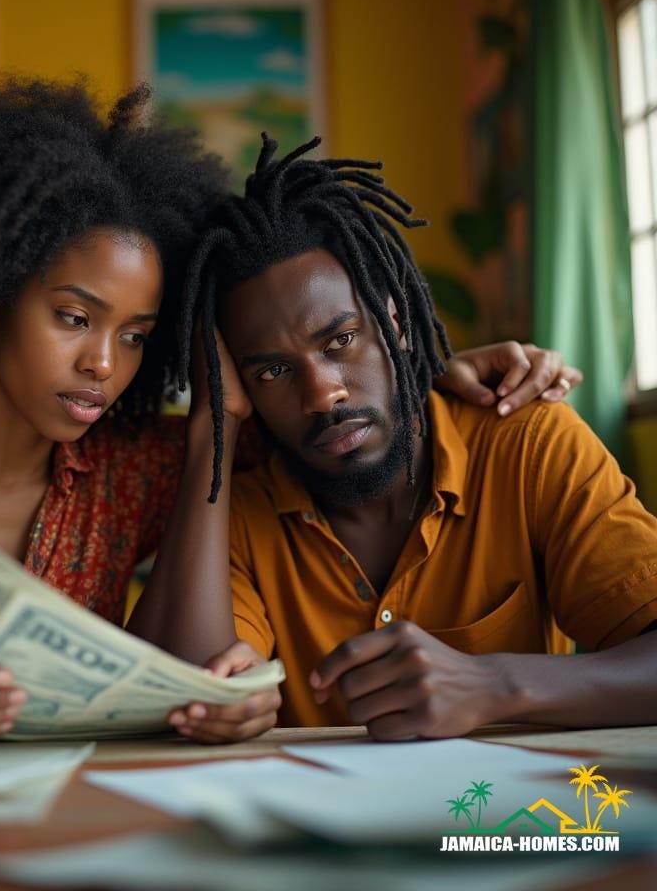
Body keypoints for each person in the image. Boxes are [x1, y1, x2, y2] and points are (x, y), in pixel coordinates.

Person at [0, 81, 581, 755]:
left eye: (137, 337)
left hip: (64, 819)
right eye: (74, 318)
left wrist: (427, 371)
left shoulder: (135, 466)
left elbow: (328, 414)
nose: (102, 366)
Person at [140, 133, 656, 742]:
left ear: (394, 321)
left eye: (340, 340)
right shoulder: (242, 515)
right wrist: (212, 423)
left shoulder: (530, 446)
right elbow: (182, 702)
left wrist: (495, 685)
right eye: (272, 370)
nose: (322, 394)